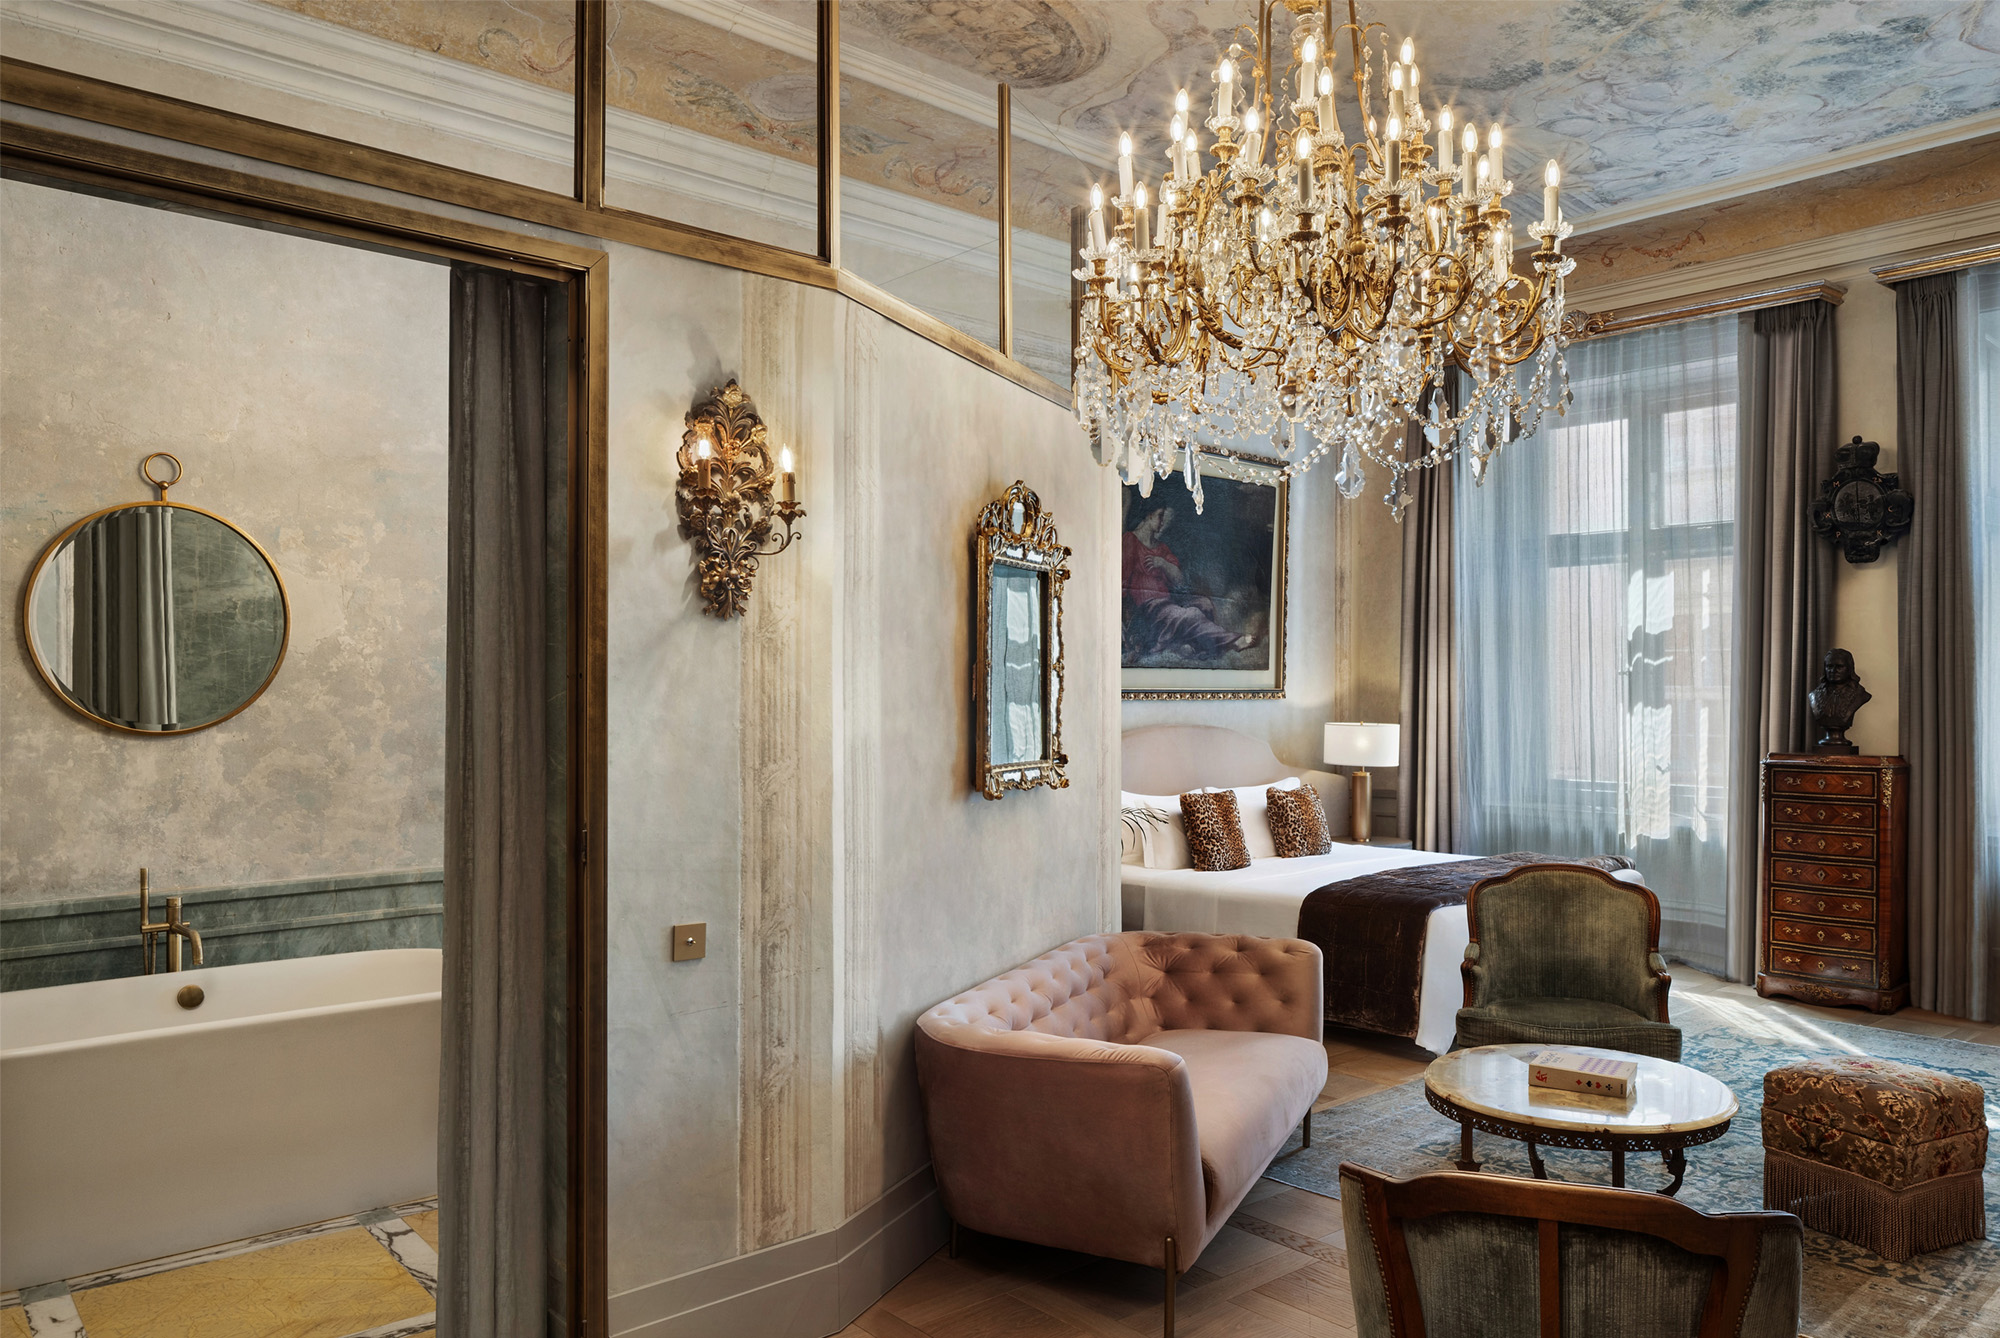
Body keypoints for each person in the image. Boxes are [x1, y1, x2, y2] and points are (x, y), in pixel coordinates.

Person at [1121, 507, 1257, 658]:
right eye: (1160, 516)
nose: (1162, 521)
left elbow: (1179, 581)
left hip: (1168, 603)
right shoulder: (1130, 540)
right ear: (1149, 514)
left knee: (1204, 603)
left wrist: (1164, 564)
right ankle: (1232, 641)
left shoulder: (1161, 548)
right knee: (1190, 614)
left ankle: (1191, 646)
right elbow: (1121, 581)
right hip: (1147, 610)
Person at [1808, 647, 1871, 754]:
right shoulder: (1814, 695)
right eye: (1829, 666)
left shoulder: (1861, 695)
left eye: (1839, 667)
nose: (1833, 671)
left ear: (1849, 669)